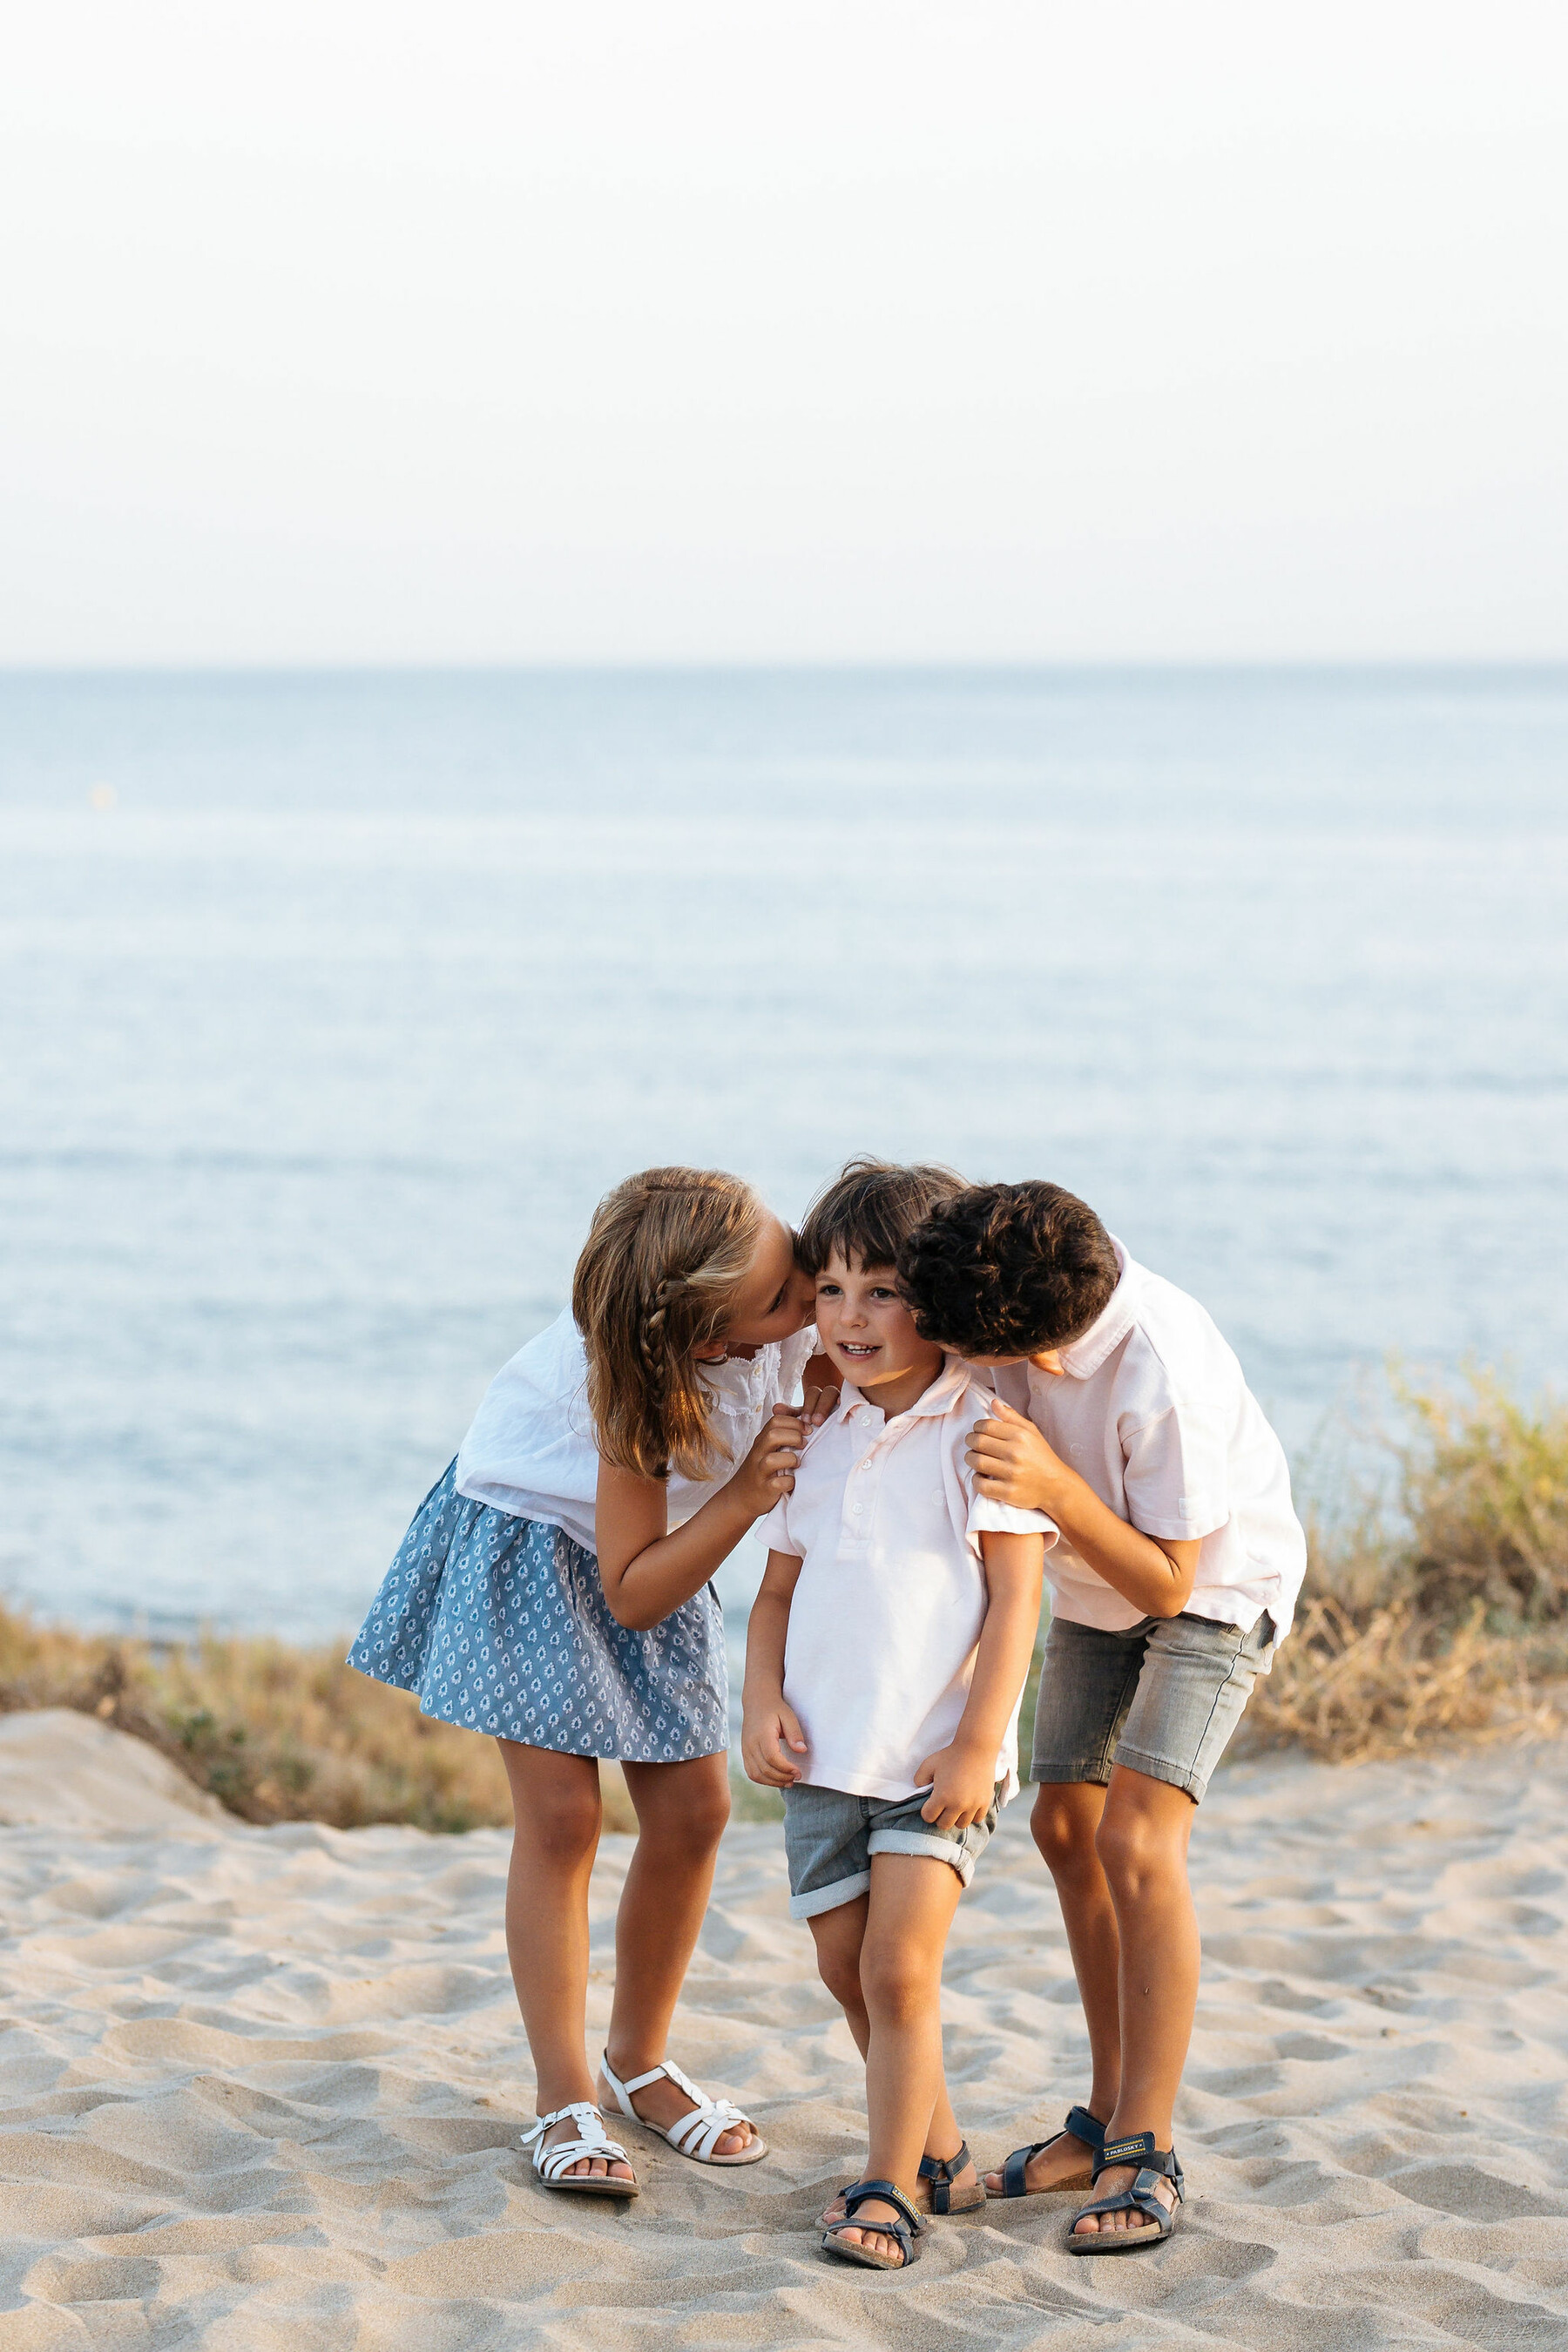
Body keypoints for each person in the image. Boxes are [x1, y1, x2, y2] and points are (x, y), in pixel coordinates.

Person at [349, 1167, 837, 2198]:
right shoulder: (632, 1389)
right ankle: (563, 2091)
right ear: (713, 1342)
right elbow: (631, 1593)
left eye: (796, 1256)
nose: (811, 1296)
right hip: (537, 1548)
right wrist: (746, 1497)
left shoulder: (786, 1302)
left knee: (698, 1810)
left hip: (657, 1551)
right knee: (565, 1818)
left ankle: (638, 2058)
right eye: (786, 1298)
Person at [897, 1180, 1308, 2253]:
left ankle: (1148, 2146)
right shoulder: (1007, 1274)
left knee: (1135, 1839)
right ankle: (1105, 2108)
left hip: (1210, 1592)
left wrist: (1053, 1485)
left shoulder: (1154, 1367)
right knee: (1063, 1824)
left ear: (1029, 1353)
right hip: (1092, 1591)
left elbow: (1171, 1582)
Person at [742, 1160, 1053, 2273]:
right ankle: (943, 2157)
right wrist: (759, 1701)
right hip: (824, 1752)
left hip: (935, 1756)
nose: (851, 1318)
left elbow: (1020, 1594)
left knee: (897, 1971)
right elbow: (776, 1590)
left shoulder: (983, 1430)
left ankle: (887, 2191)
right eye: (829, 1291)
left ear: (936, 1297)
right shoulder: (810, 1437)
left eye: (881, 1290)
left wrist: (979, 1741)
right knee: (844, 1971)